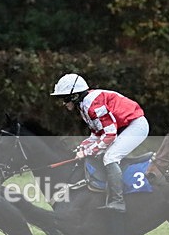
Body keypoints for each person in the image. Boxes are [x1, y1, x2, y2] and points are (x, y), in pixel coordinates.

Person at [50, 73, 149, 213]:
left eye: (65, 99)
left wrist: (87, 151)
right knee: (99, 153)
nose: (63, 103)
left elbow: (109, 135)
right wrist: (83, 146)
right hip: (122, 126)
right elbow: (97, 134)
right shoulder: (84, 106)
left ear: (75, 96)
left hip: (135, 125)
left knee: (110, 157)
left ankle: (118, 201)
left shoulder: (93, 105)